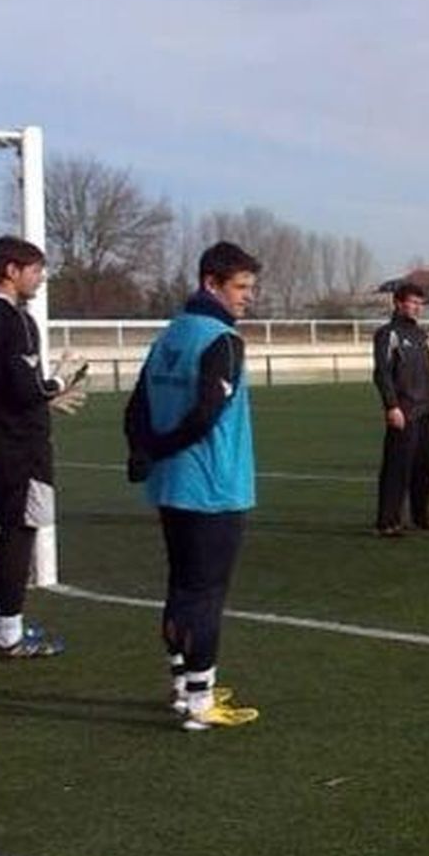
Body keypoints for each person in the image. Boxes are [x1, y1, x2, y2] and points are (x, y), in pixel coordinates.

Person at [125, 241, 263, 730]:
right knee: (205, 593)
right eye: (241, 287)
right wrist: (161, 449)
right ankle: (202, 703)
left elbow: (136, 406)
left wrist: (144, 451)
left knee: (181, 586)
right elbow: (206, 413)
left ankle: (183, 686)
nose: (248, 297)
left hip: (171, 487)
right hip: (212, 487)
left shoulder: (169, 335)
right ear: (212, 283)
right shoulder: (221, 340)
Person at [0, 236, 87, 659]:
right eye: (35, 270)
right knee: (20, 532)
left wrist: (41, 397)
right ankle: (10, 634)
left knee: (7, 528)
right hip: (21, 446)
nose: (41, 279)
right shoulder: (15, 322)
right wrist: (61, 383)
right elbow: (25, 389)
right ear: (11, 271)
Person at [371, 283, 429, 537]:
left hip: (425, 409)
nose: (417, 308)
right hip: (404, 410)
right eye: (412, 302)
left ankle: (421, 514)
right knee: (397, 467)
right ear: (398, 303)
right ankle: (388, 520)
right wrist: (391, 406)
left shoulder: (420, 335)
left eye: (420, 303)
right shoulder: (387, 334)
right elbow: (382, 373)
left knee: (425, 467)